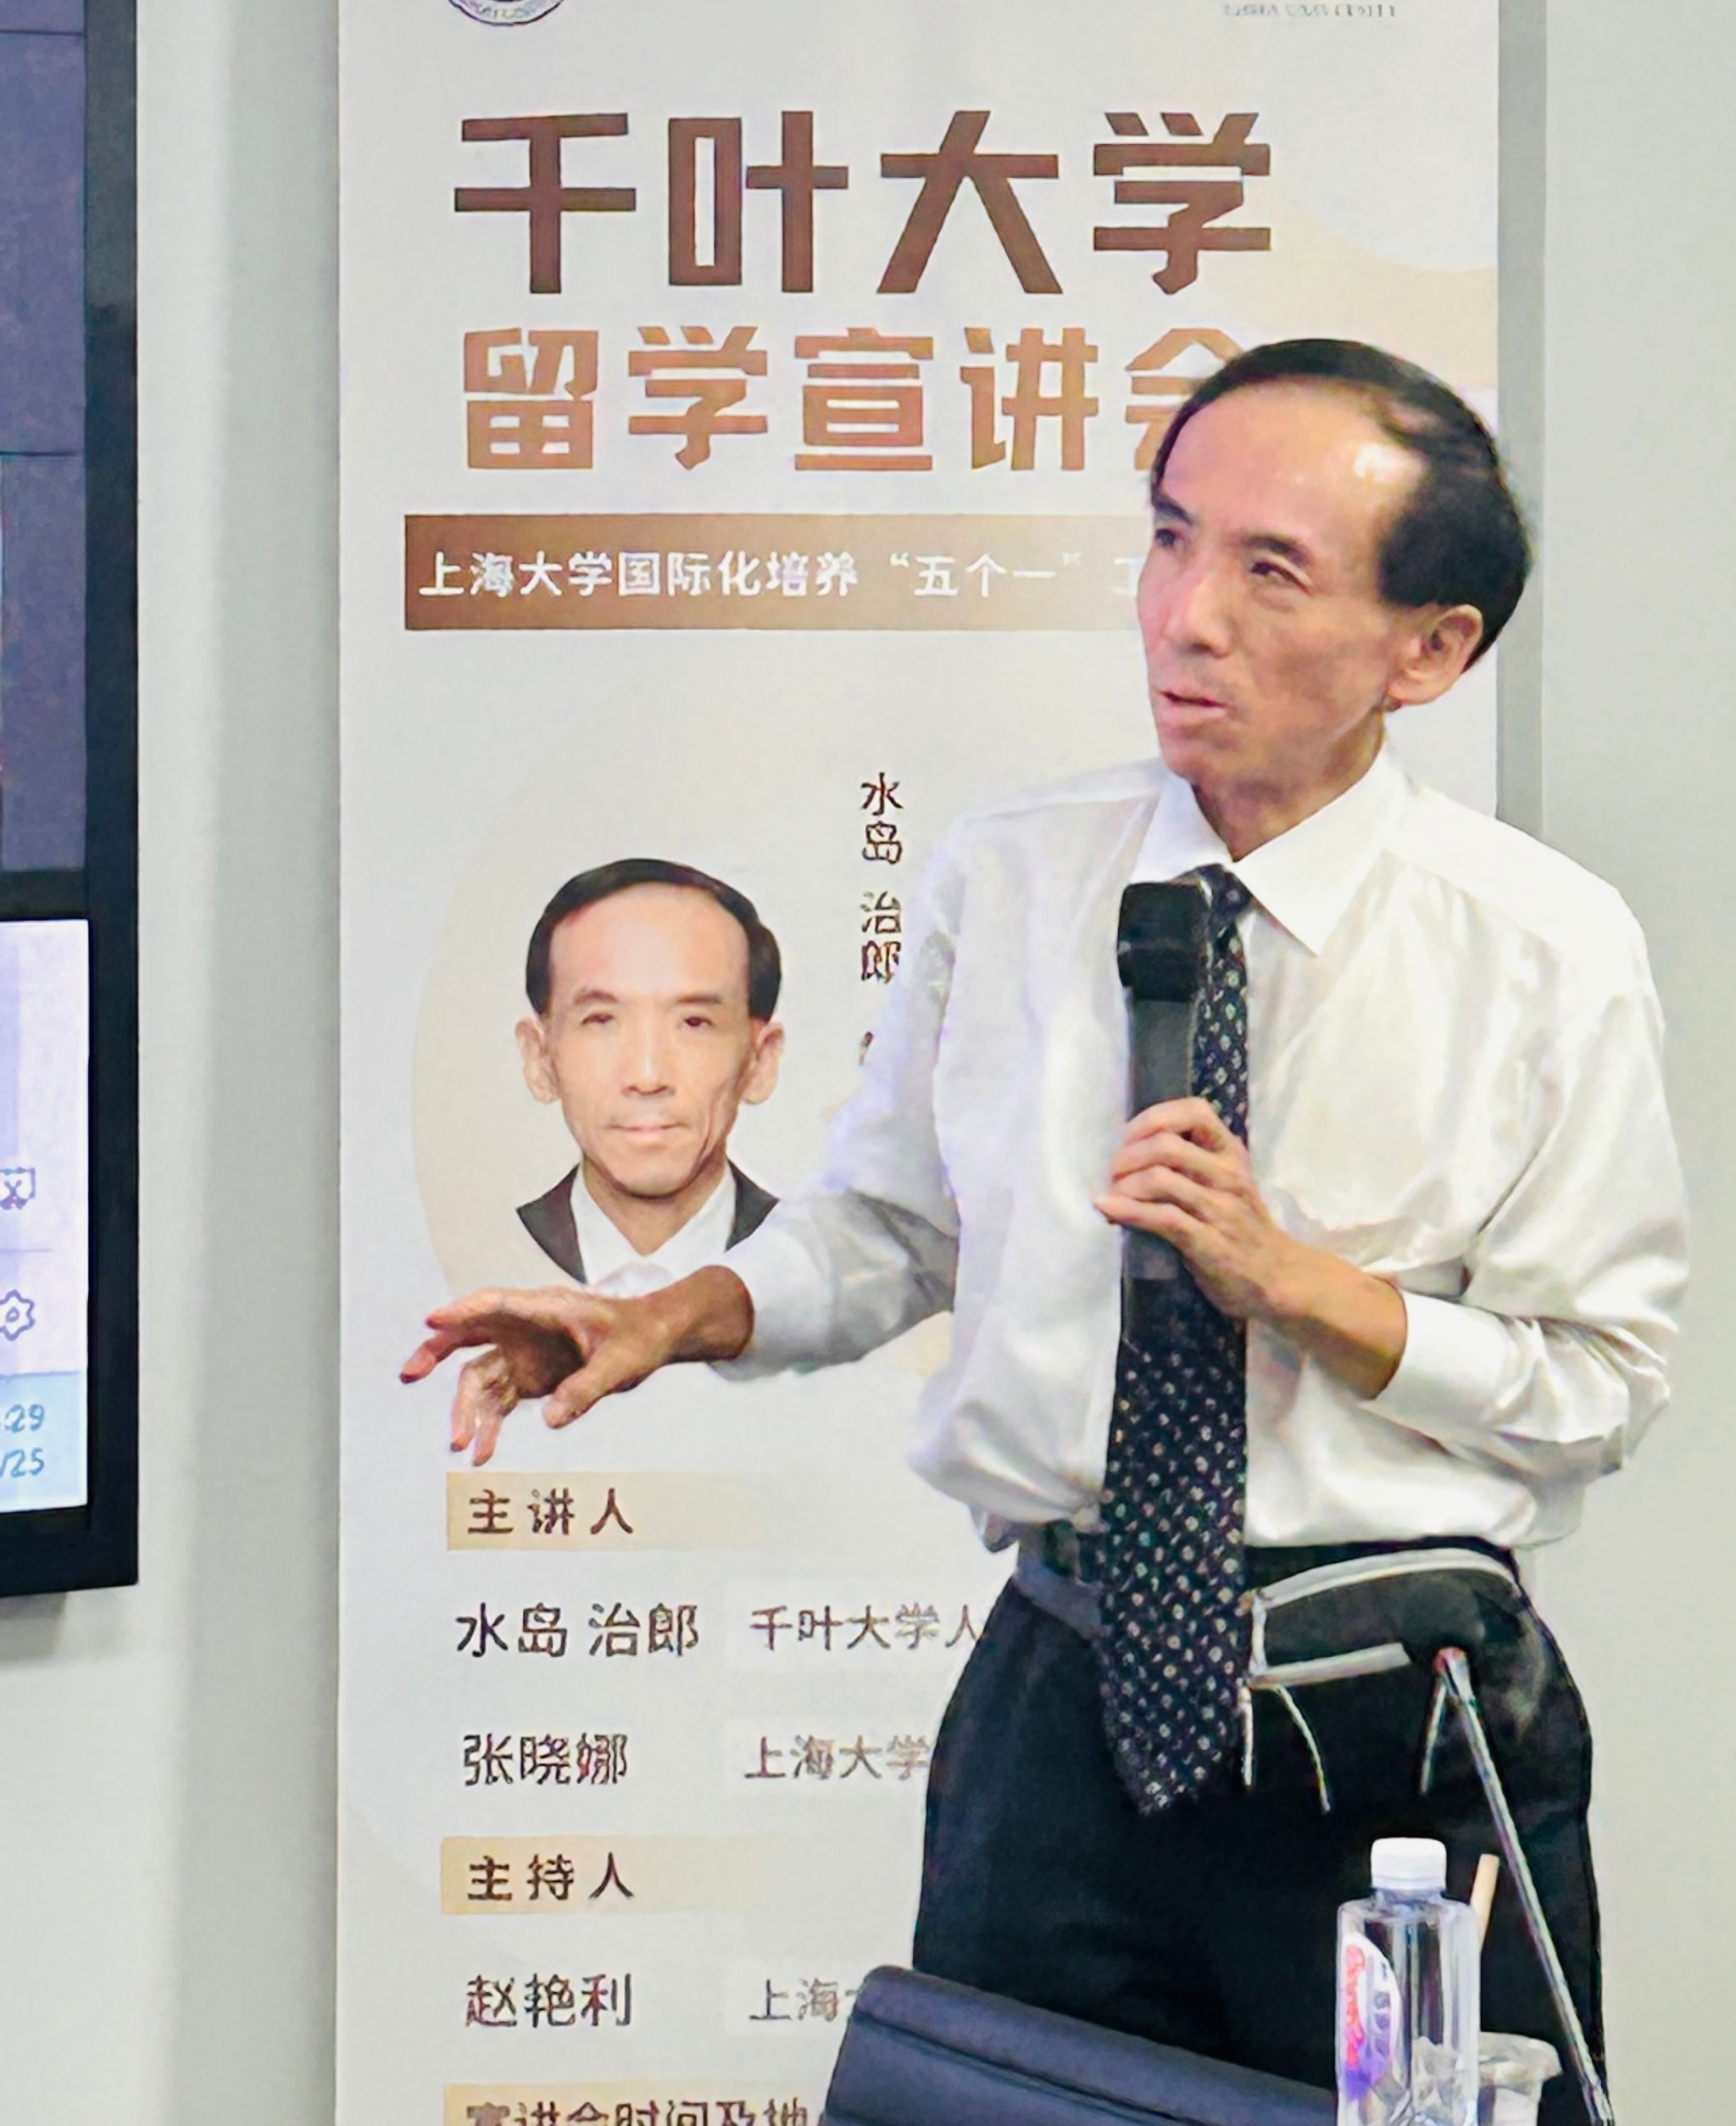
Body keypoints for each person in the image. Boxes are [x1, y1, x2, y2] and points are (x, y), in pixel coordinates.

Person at [401, 342, 1685, 2115]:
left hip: (1384, 1724)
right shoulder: (1012, 876)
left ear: (1429, 648)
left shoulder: (1539, 944)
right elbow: (883, 1229)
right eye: (1169, 538)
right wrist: (665, 1312)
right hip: (1059, 1699)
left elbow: (1596, 1381)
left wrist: (1298, 1287)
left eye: (1269, 569)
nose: (1186, 615)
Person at [428, 858, 783, 1464]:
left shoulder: (817, 1263)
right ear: (540, 1058)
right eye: (601, 1021)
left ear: (760, 1060)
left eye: (694, 1022)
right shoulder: (494, 1243)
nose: (646, 1075)